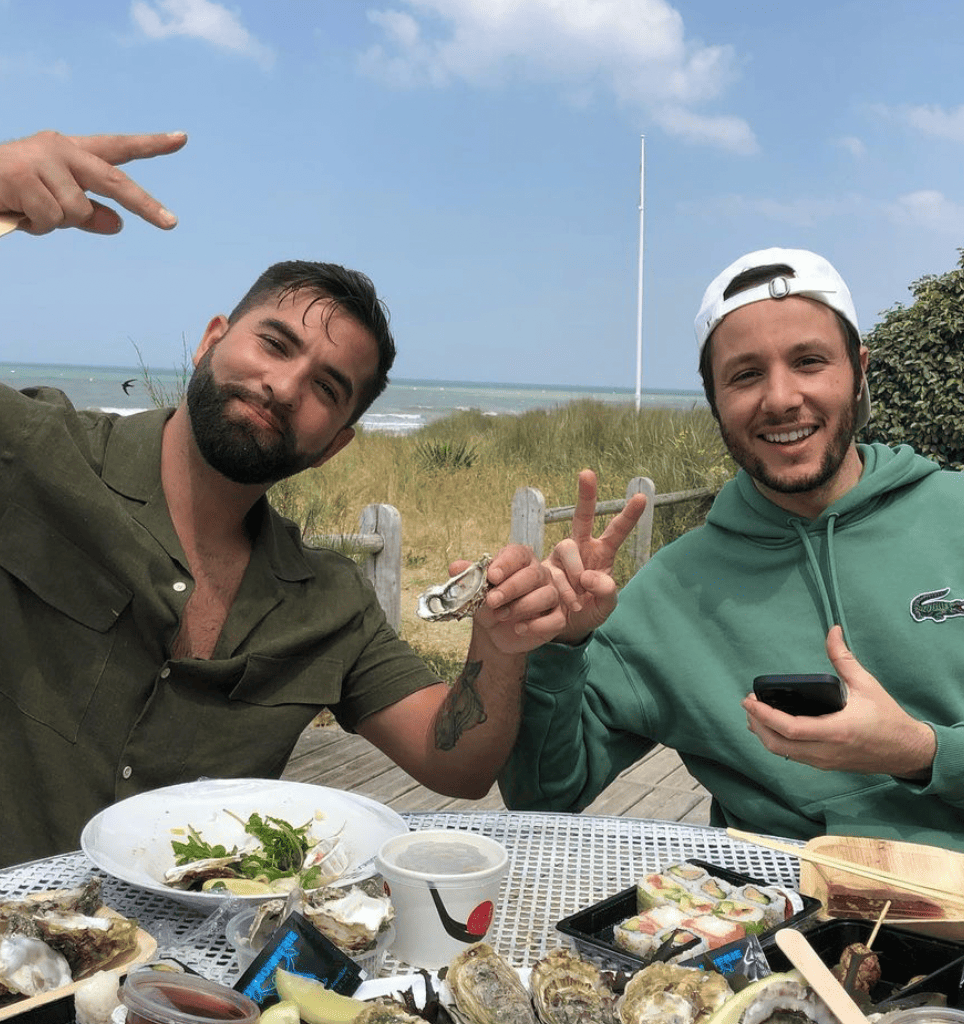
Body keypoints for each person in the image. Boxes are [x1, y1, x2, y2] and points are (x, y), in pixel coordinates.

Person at [0, 129, 566, 868]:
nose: (286, 386)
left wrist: (499, 644)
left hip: (205, 941)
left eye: (328, 387)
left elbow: (455, 763)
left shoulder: (326, 603)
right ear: (210, 341)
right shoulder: (34, 452)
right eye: (274, 343)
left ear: (335, 443)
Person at [499, 246, 964, 851]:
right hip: (774, 901)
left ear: (858, 370)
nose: (780, 398)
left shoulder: (953, 514)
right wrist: (559, 647)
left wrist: (922, 751)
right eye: (745, 375)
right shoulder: (673, 590)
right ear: (714, 398)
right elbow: (544, 795)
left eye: (809, 361)